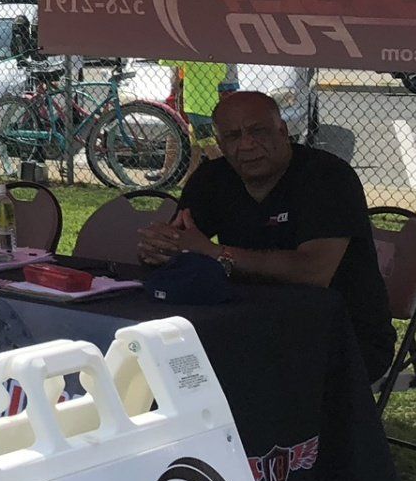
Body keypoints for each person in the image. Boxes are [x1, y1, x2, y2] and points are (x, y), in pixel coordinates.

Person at [138, 90, 394, 377]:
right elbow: (181, 245)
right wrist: (160, 249)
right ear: (220, 143)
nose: (247, 145)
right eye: (233, 136)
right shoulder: (211, 179)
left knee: (224, 372)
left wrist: (215, 254)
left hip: (340, 333)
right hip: (243, 322)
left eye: (257, 131)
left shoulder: (328, 177)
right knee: (156, 354)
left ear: (283, 131)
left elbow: (314, 272)